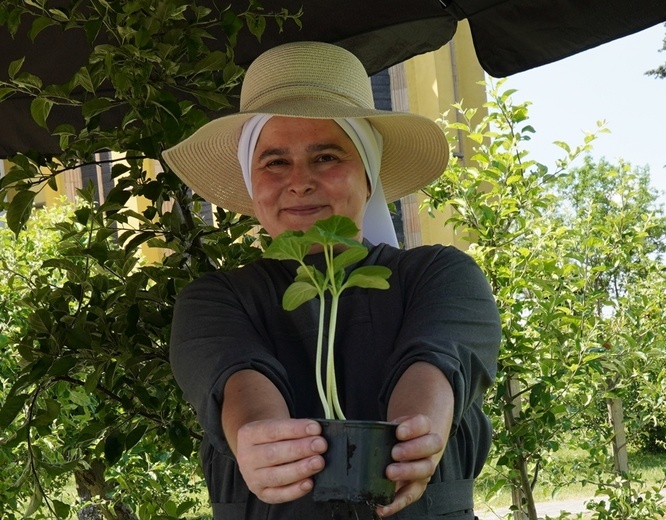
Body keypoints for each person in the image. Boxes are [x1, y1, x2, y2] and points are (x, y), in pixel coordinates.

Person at [163, 41, 501, 519]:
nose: (299, 181)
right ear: (251, 182)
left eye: (325, 157)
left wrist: (417, 431)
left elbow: (436, 365)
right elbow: (237, 381)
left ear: (369, 175)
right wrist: (257, 440)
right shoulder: (216, 299)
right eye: (275, 161)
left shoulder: (440, 276)